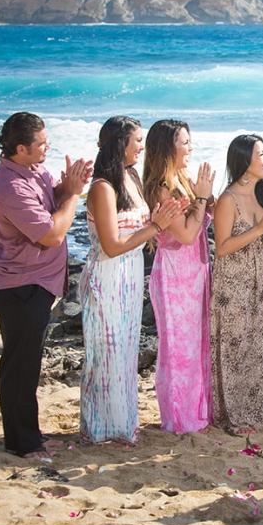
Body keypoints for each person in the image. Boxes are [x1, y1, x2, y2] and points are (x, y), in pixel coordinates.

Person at [0, 112, 92, 459]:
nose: (47, 147)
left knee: (28, 362)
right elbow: (51, 233)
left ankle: (30, 435)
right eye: (41, 144)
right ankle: (21, 442)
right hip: (18, 285)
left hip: (37, 281)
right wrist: (74, 195)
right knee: (19, 364)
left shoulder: (33, 170)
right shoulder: (10, 185)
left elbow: (53, 196)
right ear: (20, 148)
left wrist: (68, 186)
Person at [79, 116, 183, 444]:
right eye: (137, 140)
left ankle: (123, 425)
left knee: (125, 350)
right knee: (106, 350)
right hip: (107, 276)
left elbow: (142, 230)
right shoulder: (102, 187)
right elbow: (111, 246)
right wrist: (156, 226)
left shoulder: (132, 178)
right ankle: (100, 428)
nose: (142, 146)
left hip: (131, 274)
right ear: (119, 143)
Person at [211, 134, 263, 435]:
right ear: (245, 160)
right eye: (261, 154)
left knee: (257, 344)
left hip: (257, 279)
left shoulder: (262, 196)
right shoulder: (227, 200)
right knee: (235, 345)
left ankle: (258, 411)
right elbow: (221, 247)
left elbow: (262, 243)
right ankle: (236, 416)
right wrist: (260, 228)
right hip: (231, 282)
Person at [142, 119, 215, 434]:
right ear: (168, 147)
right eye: (185, 142)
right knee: (178, 348)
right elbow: (185, 235)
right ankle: (179, 417)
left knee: (197, 344)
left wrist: (204, 197)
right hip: (174, 274)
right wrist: (200, 199)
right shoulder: (161, 186)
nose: (190, 147)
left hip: (194, 270)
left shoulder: (181, 178)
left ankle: (197, 412)